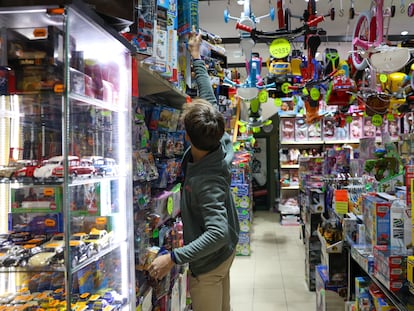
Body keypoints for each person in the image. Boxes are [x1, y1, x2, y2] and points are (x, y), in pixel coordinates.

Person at [148, 27, 240, 311]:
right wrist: (196, 56)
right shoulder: (218, 139)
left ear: (187, 137)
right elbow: (208, 97)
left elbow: (218, 232)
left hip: (210, 264)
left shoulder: (206, 180)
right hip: (224, 255)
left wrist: (173, 258)